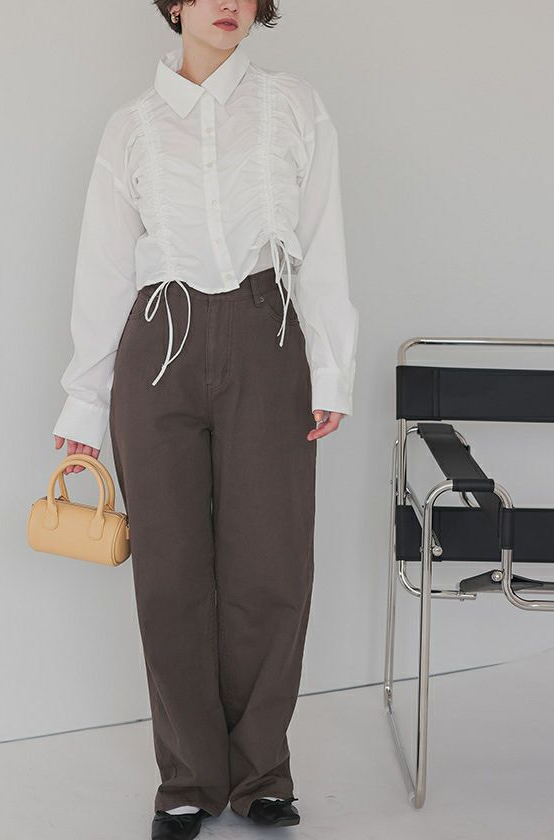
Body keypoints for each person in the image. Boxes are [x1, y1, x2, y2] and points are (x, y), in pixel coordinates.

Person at [52, 2, 359, 838]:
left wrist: (331, 366)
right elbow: (104, 267)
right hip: (159, 343)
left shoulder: (294, 105)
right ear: (175, 5)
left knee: (273, 563)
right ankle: (187, 778)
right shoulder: (132, 129)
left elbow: (322, 240)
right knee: (171, 571)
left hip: (269, 333)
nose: (227, 3)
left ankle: (262, 773)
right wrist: (85, 398)